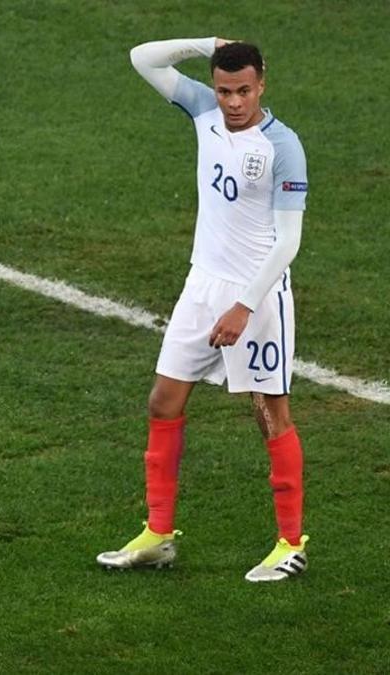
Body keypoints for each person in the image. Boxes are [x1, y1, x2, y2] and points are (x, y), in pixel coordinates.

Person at [97, 38, 309, 582]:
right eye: (223, 90)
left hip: (257, 297)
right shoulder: (202, 110)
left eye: (243, 90)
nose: (233, 102)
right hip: (201, 287)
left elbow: (287, 242)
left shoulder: (283, 147)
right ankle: (158, 535)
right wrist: (207, 42)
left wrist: (243, 306)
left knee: (269, 415)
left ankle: (290, 544)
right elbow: (142, 58)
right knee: (163, 402)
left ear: (262, 84)